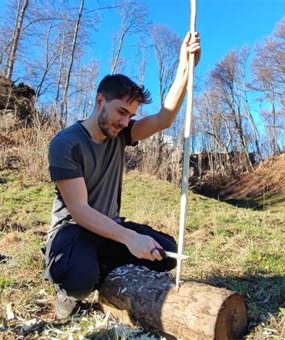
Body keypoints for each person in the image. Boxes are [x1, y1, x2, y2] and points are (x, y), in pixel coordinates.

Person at [45, 32, 201, 319]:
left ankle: (102, 270)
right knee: (78, 280)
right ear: (99, 100)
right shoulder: (65, 143)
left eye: (130, 115)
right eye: (120, 112)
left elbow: (163, 119)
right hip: (73, 231)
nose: (125, 121)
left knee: (165, 252)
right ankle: (69, 290)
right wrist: (129, 238)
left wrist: (185, 70)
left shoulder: (121, 134)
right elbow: (79, 211)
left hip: (109, 228)